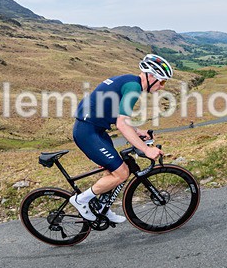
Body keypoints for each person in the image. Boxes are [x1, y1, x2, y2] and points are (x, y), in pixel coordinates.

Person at [69, 53, 173, 223]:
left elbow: (117, 114)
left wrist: (137, 131)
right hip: (88, 132)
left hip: (95, 129)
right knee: (122, 173)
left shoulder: (129, 81)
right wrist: (146, 149)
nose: (162, 87)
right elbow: (122, 124)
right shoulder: (133, 89)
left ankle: (102, 207)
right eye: (162, 81)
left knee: (113, 171)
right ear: (151, 77)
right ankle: (80, 200)